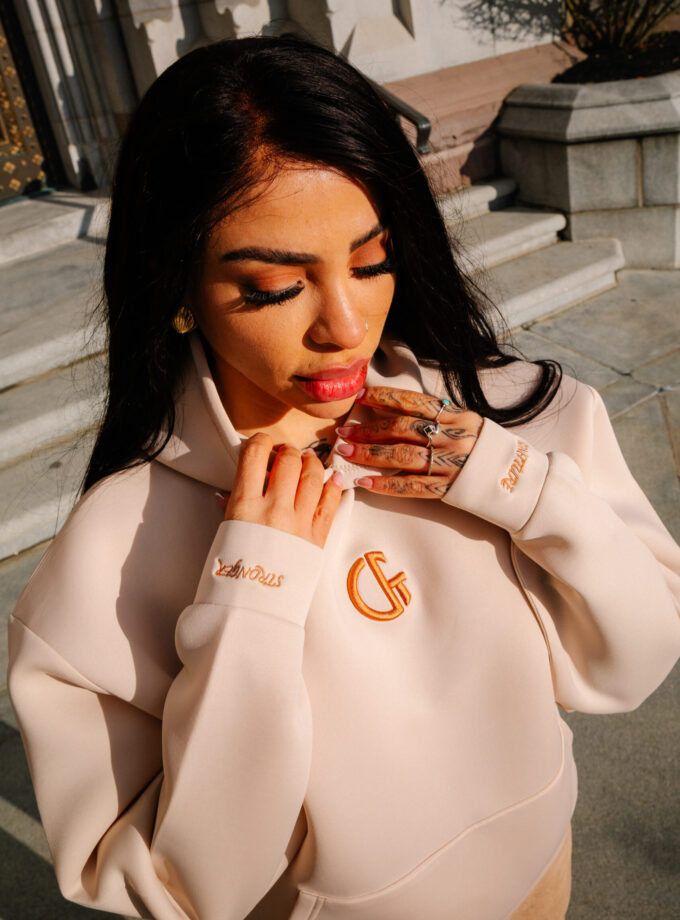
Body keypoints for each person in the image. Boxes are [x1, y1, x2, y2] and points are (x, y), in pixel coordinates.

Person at [7, 35, 680, 920]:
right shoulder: (113, 554)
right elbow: (172, 889)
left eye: (371, 261)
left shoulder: (504, 419)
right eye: (273, 289)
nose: (345, 324)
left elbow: (637, 660)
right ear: (179, 287)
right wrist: (251, 601)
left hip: (541, 881)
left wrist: (519, 489)